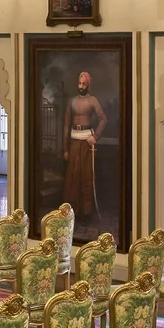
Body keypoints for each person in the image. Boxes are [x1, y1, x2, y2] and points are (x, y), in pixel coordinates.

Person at [62, 70, 106, 222]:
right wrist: (65, 149)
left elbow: (103, 119)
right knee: (73, 177)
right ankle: (71, 212)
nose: (81, 86)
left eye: (84, 84)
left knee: (86, 176)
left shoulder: (92, 100)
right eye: (79, 83)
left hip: (87, 143)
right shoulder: (72, 101)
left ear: (88, 85)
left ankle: (86, 212)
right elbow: (66, 124)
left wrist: (95, 136)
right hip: (74, 141)